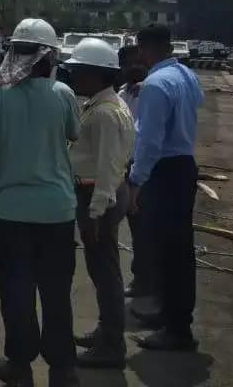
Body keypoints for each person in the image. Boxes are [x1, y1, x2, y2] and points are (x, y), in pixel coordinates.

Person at [0, 18, 81, 387]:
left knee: (15, 292)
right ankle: (63, 370)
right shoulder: (62, 94)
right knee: (56, 292)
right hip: (58, 212)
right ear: (48, 56)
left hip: (11, 213)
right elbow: (74, 134)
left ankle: (19, 366)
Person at [128, 23, 204, 352]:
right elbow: (195, 103)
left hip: (164, 171)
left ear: (146, 49)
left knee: (171, 252)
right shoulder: (185, 75)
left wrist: (136, 180)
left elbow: (149, 142)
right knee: (173, 249)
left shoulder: (156, 85)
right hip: (184, 164)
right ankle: (169, 313)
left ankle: (177, 328)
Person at [65, 38, 135, 369]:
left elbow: (108, 166)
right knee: (102, 269)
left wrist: (95, 211)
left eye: (79, 71)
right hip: (102, 193)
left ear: (96, 74)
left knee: (105, 272)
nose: (74, 77)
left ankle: (111, 345)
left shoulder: (105, 112)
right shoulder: (106, 104)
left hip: (99, 196)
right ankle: (107, 332)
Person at [117, 45, 154, 299]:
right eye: (129, 64)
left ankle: (148, 281)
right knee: (136, 225)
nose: (135, 68)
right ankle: (142, 277)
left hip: (147, 168)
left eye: (139, 63)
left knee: (147, 226)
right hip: (126, 165)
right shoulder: (122, 94)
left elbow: (148, 138)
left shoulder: (151, 93)